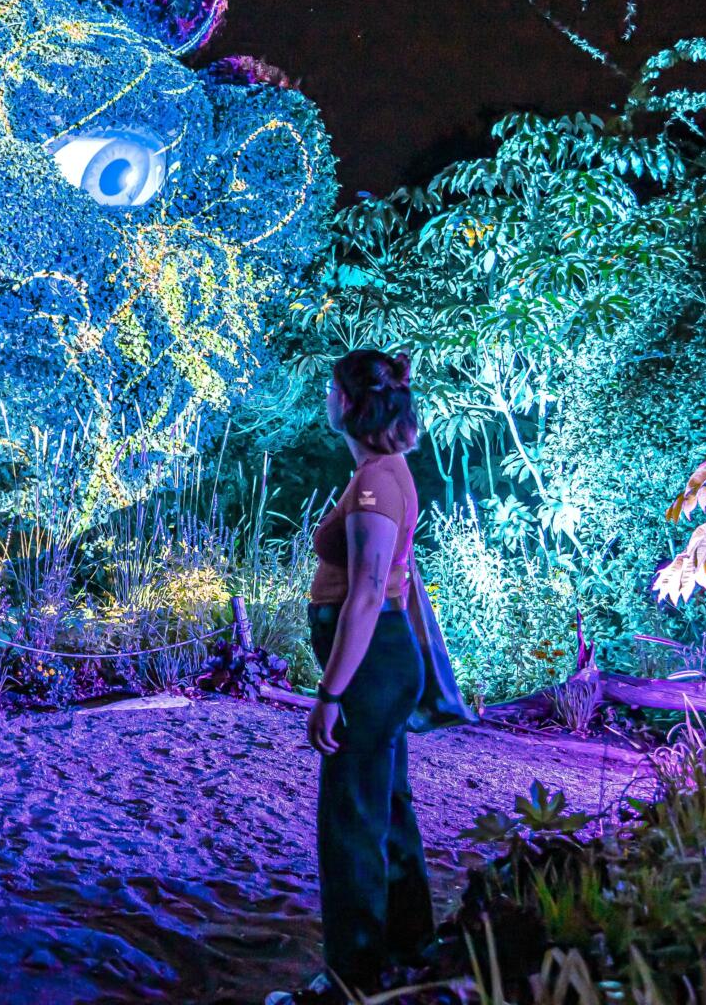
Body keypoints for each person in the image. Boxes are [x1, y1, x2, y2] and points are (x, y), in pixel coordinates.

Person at [270, 349, 434, 1005]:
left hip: (369, 669)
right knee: (386, 807)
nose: (325, 396)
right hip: (385, 663)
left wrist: (330, 693)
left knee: (350, 819)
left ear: (351, 402)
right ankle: (410, 945)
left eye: (331, 388)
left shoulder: (373, 484)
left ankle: (353, 977)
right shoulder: (385, 470)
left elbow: (366, 594)